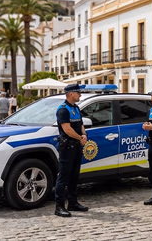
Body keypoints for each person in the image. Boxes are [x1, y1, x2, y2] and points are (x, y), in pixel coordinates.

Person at [54, 84, 89, 217]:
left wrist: (84, 135)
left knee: (74, 176)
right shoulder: (63, 109)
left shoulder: (76, 107)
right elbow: (67, 129)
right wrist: (80, 137)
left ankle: (73, 203)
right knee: (63, 177)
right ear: (70, 94)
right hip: (67, 147)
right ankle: (59, 206)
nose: (80, 94)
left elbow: (80, 124)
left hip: (77, 146)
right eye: (78, 92)